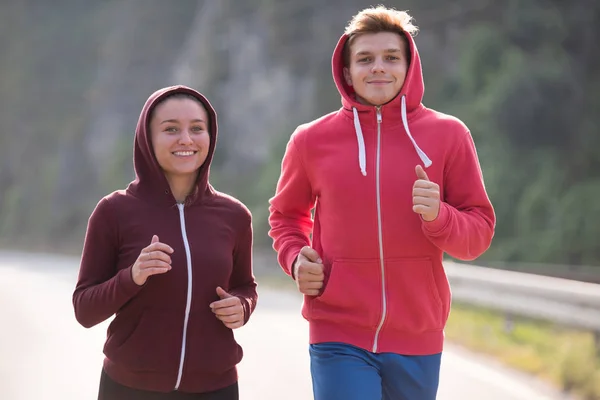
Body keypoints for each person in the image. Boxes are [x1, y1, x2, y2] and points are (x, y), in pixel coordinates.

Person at [268, 6, 495, 400]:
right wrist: (295, 257)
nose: (378, 68)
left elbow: (477, 237)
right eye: (365, 59)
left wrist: (438, 216)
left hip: (418, 334)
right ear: (346, 70)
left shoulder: (449, 135)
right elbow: (286, 216)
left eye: (391, 57)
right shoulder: (310, 140)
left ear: (409, 67)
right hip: (337, 330)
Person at [73, 85, 257, 400]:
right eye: (171, 129)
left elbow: (245, 286)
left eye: (197, 129)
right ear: (147, 138)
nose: (186, 139)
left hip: (215, 387)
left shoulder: (234, 215)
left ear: (210, 137)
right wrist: (132, 277)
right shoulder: (114, 211)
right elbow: (84, 309)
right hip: (130, 387)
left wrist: (242, 306)